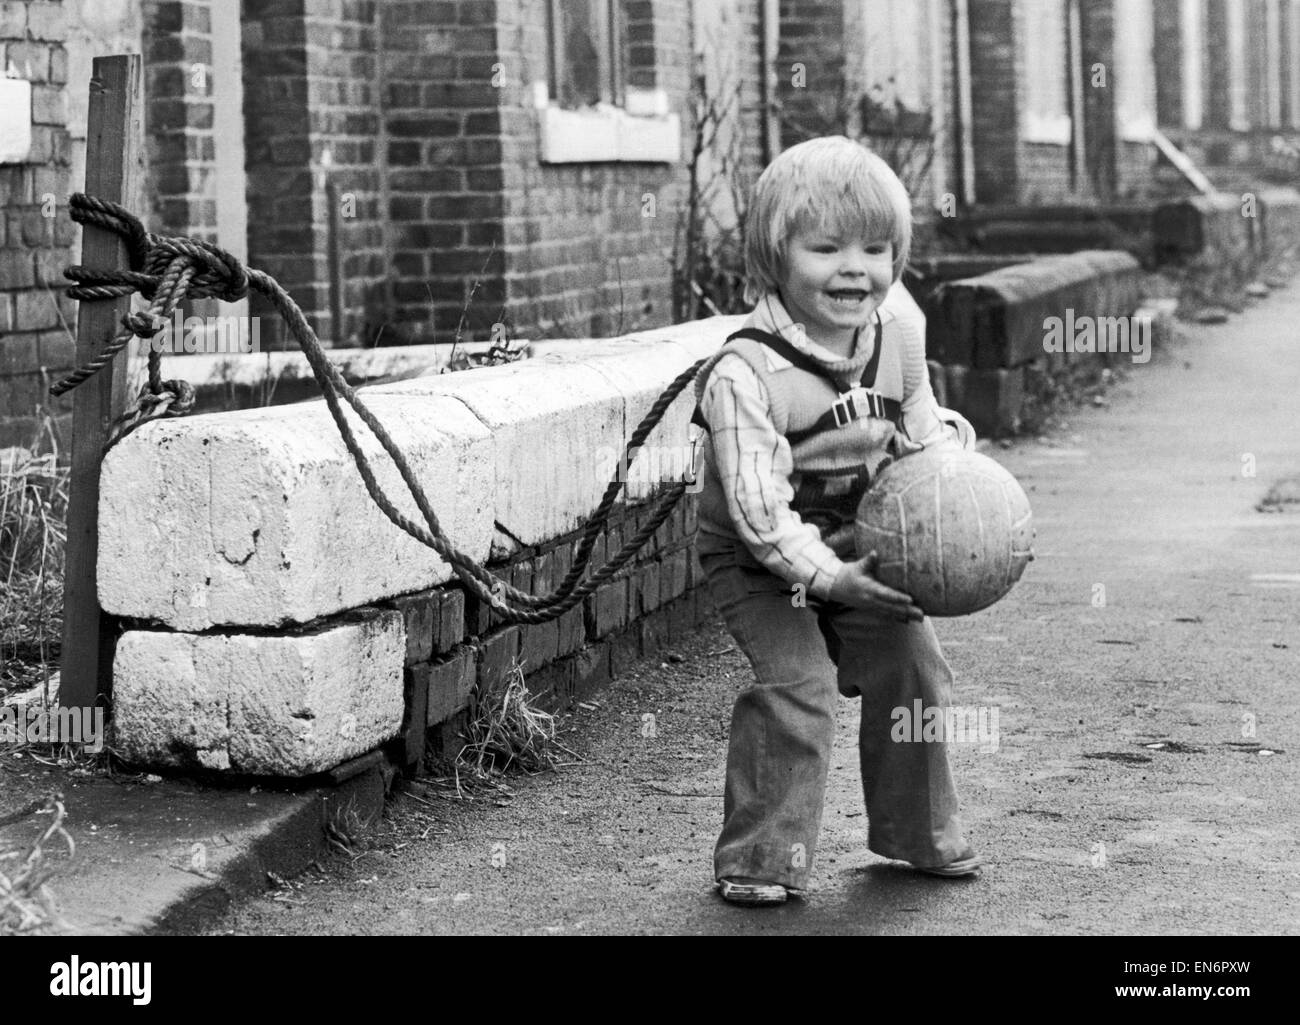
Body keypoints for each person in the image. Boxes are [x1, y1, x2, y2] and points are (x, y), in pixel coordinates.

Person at [689, 136, 982, 906]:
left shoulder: (900, 328)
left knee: (914, 664)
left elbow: (916, 428)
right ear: (775, 258)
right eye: (826, 247)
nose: (856, 268)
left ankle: (918, 832)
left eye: (877, 248)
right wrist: (830, 579)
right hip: (758, 558)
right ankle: (760, 856)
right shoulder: (744, 373)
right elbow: (758, 514)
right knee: (801, 685)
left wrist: (952, 473)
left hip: (859, 538)